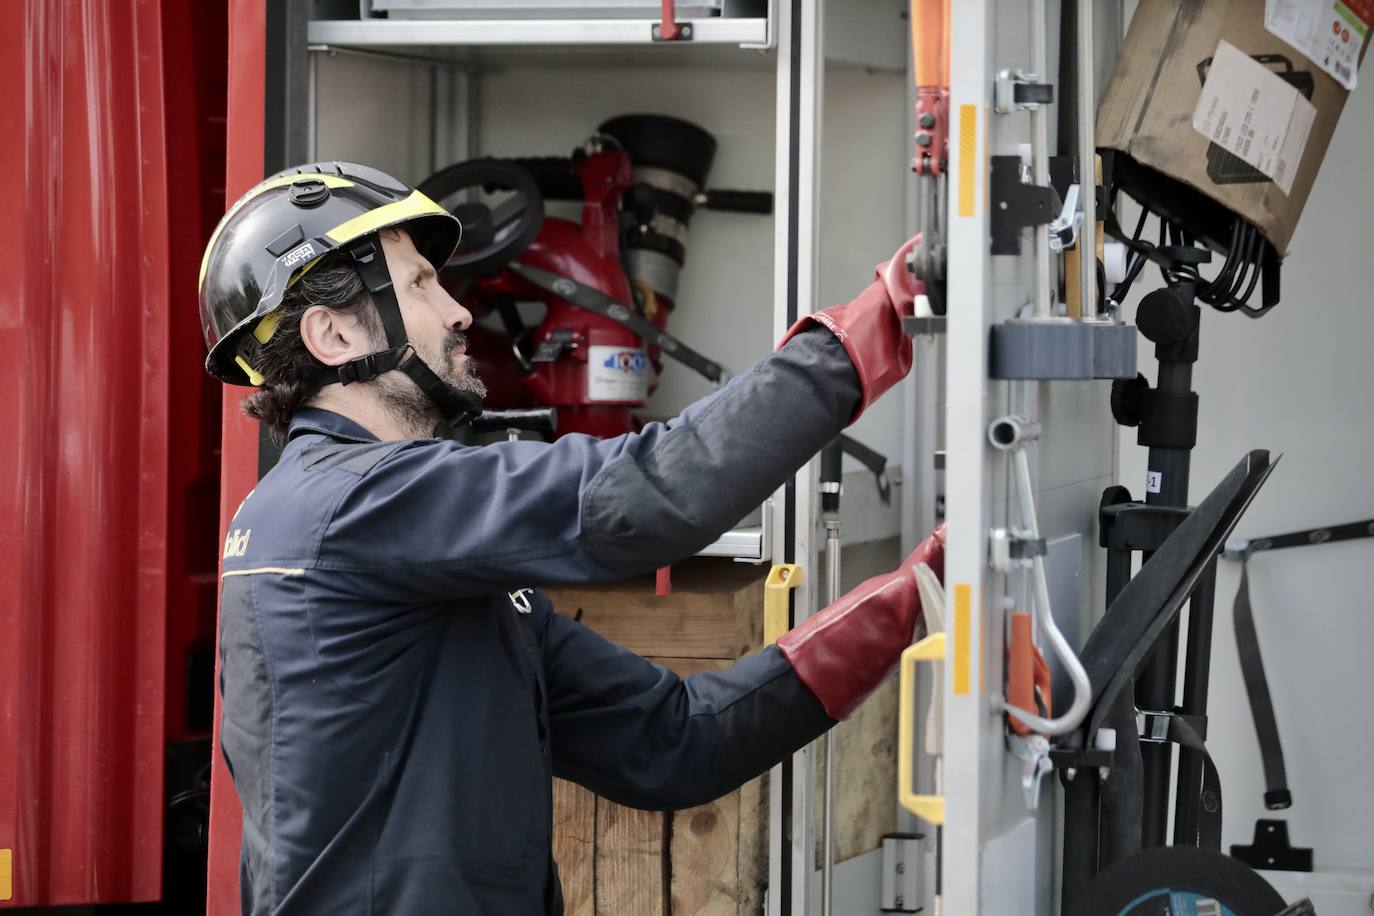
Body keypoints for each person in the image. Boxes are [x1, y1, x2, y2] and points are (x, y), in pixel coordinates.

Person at [201, 161, 945, 916]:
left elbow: (676, 741)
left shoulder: (399, 550)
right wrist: (882, 318)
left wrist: (907, 606)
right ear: (332, 335)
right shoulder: (354, 503)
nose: (459, 312)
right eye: (420, 284)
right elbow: (653, 501)